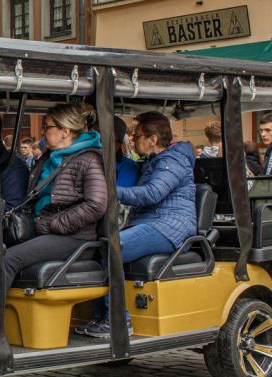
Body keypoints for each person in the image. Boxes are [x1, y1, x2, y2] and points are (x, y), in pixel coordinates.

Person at [0, 103, 107, 348]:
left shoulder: (88, 159)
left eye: (48, 128)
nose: (44, 133)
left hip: (74, 237)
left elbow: (96, 205)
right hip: (44, 228)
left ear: (66, 131)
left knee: (9, 258)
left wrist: (56, 224)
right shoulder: (50, 158)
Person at [78, 112, 196, 338]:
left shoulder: (172, 161)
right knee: (98, 246)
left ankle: (118, 320)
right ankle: (102, 316)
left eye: (137, 136)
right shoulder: (156, 161)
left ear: (153, 139)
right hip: (154, 223)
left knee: (113, 248)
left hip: (170, 225)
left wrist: (109, 191)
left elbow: (152, 194)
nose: (132, 141)